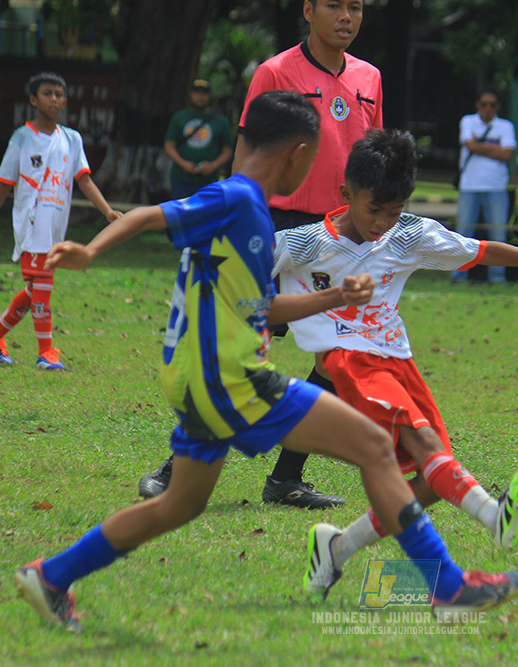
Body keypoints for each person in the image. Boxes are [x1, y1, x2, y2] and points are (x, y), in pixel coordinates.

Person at [13, 91, 518, 630]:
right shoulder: (238, 199)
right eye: (314, 158)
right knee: (376, 448)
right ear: (298, 154)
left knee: (179, 506)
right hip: (229, 379)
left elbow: (258, 307)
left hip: (197, 379)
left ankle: (51, 575)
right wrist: (92, 250)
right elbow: (149, 215)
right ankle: (448, 587)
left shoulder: (250, 214)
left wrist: (335, 297)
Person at [271, 129, 518, 600]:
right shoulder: (301, 244)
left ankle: (336, 550)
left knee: (431, 478)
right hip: (350, 362)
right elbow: (241, 273)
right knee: (425, 445)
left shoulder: (408, 234)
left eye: (394, 211)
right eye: (374, 209)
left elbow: (477, 250)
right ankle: (495, 516)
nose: (383, 222)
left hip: (398, 362)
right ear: (346, 193)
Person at [139, 0, 383, 509]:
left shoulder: (370, 78)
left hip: (341, 233)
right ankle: (176, 467)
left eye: (355, 7)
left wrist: (372, 225)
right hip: (278, 226)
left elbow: (372, 161)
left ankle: (286, 478)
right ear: (308, 10)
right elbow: (249, 154)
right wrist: (238, 219)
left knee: (338, 355)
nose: (346, 16)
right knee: (240, 348)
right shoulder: (275, 71)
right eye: (334, 5)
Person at [0, 72, 121, 371]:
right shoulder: (22, 137)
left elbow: (84, 180)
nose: (54, 99)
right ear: (33, 99)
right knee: (43, 285)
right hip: (31, 224)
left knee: (35, 290)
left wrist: (108, 212)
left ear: (65, 101)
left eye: (59, 94)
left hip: (55, 227)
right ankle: (46, 353)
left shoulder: (72, 139)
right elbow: (4, 182)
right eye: (47, 93)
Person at [451, 86, 518, 284]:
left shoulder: (506, 126)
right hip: (469, 186)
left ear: (498, 106)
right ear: (477, 105)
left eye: (492, 105)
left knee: (498, 235)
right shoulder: (468, 121)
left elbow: (506, 154)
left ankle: (498, 277)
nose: (488, 108)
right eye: (484, 104)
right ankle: (459, 276)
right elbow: (470, 145)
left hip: (496, 187)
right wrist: (494, 149)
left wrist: (479, 147)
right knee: (464, 234)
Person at [163, 79, 235, 200]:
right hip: (181, 179)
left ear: (210, 95)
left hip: (209, 180)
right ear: (190, 94)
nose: (200, 97)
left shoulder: (221, 121)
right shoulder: (179, 117)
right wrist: (183, 164)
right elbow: (169, 145)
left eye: (204, 93)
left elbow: (228, 150)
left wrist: (213, 166)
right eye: (197, 92)